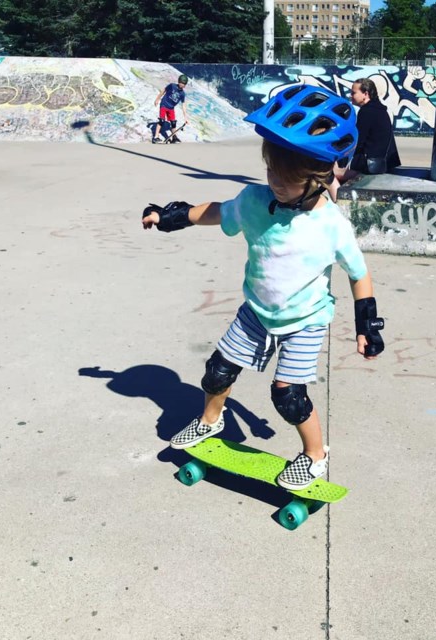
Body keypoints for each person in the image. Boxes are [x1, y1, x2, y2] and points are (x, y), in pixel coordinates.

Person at [141, 85, 386, 490]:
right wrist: (173, 217)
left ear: (318, 179)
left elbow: (359, 274)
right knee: (217, 372)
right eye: (270, 170)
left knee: (288, 396)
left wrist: (367, 326)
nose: (273, 182)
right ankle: (210, 421)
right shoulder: (256, 201)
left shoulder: (332, 227)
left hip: (304, 320)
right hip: (257, 311)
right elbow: (219, 211)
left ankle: (315, 456)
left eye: (285, 179)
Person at [331, 78, 401, 197]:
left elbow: (357, 140)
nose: (350, 95)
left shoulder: (367, 112)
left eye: (353, 93)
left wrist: (335, 150)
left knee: (328, 174)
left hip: (369, 167)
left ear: (366, 94)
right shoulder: (379, 110)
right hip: (381, 164)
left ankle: (338, 202)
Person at [152, 74, 190, 143]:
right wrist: (157, 99)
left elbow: (183, 105)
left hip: (171, 108)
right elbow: (164, 90)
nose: (182, 85)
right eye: (181, 83)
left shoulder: (182, 94)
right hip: (164, 104)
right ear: (178, 82)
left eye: (184, 84)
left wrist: (185, 118)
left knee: (173, 123)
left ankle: (174, 137)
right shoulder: (172, 86)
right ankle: (155, 137)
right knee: (162, 121)